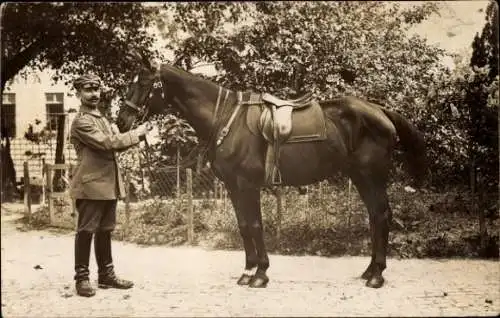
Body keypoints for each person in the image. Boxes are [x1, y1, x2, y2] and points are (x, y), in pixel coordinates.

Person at [69, 73, 149, 297]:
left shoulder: (102, 119)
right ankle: (82, 279)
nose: (94, 93)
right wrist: (136, 135)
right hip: (91, 185)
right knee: (86, 231)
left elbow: (115, 143)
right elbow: (108, 144)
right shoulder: (82, 121)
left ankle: (106, 275)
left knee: (105, 231)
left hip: (108, 184)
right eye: (88, 89)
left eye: (96, 89)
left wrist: (133, 134)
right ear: (78, 93)